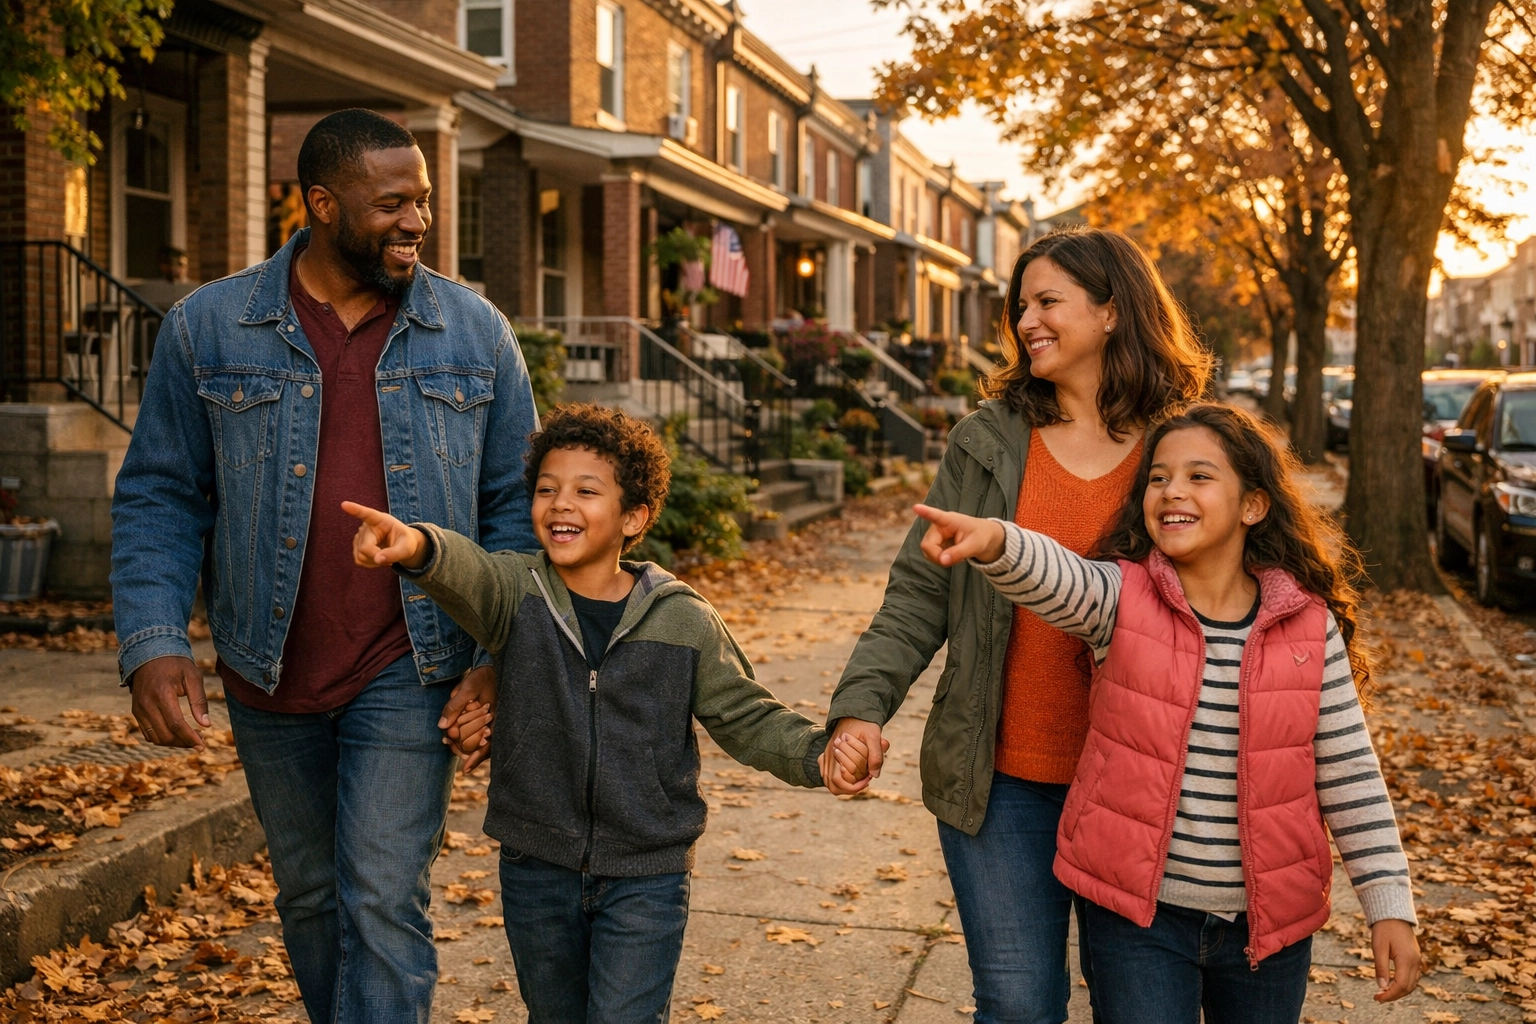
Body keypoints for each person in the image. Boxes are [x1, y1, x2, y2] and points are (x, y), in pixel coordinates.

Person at [110, 108, 539, 1024]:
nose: (418, 221)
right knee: (309, 900)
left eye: (423, 201)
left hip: (411, 662)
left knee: (382, 901)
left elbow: (517, 511)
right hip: (268, 664)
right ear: (320, 205)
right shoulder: (209, 328)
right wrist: (153, 640)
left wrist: (499, 655)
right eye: (393, 203)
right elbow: (161, 494)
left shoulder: (476, 334)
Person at [894, 402, 1421, 1024]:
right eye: (1158, 476)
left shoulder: (1307, 626)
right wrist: (997, 541)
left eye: (1200, 476)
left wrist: (1388, 904)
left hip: (1271, 927)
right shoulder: (1124, 600)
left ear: (1253, 505)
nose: (1173, 490)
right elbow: (1060, 576)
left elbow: (1349, 770)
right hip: (1138, 921)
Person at [346, 404, 854, 1024]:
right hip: (537, 867)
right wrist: (417, 546)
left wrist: (815, 753)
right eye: (547, 489)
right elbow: (469, 573)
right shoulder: (518, 593)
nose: (561, 503)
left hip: (648, 872)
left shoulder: (681, 619)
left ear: (633, 516)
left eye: (587, 491)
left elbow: (745, 714)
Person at [820, 227, 1212, 1024]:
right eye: (1019, 305)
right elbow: (917, 594)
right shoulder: (989, 440)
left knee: (1140, 1009)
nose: (1026, 320)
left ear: (1110, 310)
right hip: (999, 781)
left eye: (1048, 302)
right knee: (1018, 1004)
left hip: (1140, 783)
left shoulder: (1182, 446)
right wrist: (860, 709)